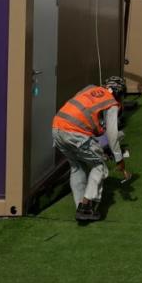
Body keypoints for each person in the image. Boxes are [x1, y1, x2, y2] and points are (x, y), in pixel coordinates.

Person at [52, 78, 130, 222]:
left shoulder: (89, 88)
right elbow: (112, 135)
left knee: (77, 167)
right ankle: (86, 205)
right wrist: (119, 159)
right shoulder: (111, 102)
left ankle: (81, 209)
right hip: (75, 132)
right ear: (119, 93)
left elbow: (83, 111)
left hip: (57, 127)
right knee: (99, 166)